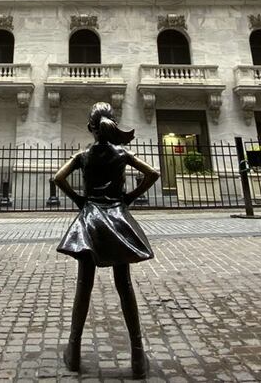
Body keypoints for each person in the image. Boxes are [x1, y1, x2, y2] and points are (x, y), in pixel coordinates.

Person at [54, 102, 161, 378]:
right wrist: (129, 198)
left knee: (84, 286)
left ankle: (74, 351)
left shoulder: (83, 155)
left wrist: (79, 200)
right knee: (124, 286)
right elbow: (153, 174)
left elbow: (58, 178)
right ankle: (137, 354)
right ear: (111, 125)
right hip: (117, 218)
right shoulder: (122, 153)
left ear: (91, 128)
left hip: (90, 220)